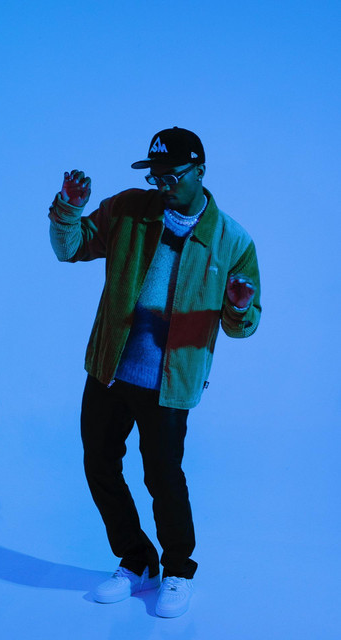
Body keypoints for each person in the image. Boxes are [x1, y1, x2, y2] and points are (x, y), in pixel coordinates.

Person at [48, 127, 261, 618]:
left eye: (172, 175)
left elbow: (244, 326)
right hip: (109, 368)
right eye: (155, 175)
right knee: (99, 463)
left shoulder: (232, 241)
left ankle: (178, 569)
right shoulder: (128, 209)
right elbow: (70, 247)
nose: (162, 184)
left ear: (200, 171)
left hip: (170, 381)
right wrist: (69, 208)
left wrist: (237, 307)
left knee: (162, 475)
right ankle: (137, 561)